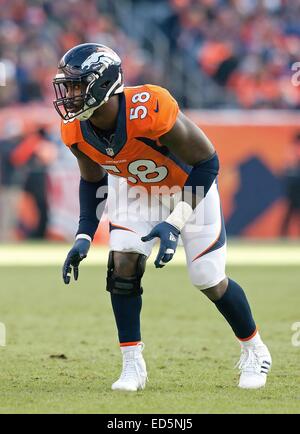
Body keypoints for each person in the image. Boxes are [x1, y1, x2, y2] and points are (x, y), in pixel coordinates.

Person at [53, 43, 271, 391]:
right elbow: (92, 180)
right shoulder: (75, 130)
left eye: (78, 85)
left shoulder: (149, 108)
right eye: (69, 85)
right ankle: (132, 365)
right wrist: (84, 235)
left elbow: (207, 163)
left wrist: (174, 222)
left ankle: (255, 349)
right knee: (122, 265)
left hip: (188, 188)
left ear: (103, 83)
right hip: (135, 188)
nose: (71, 94)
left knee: (207, 278)